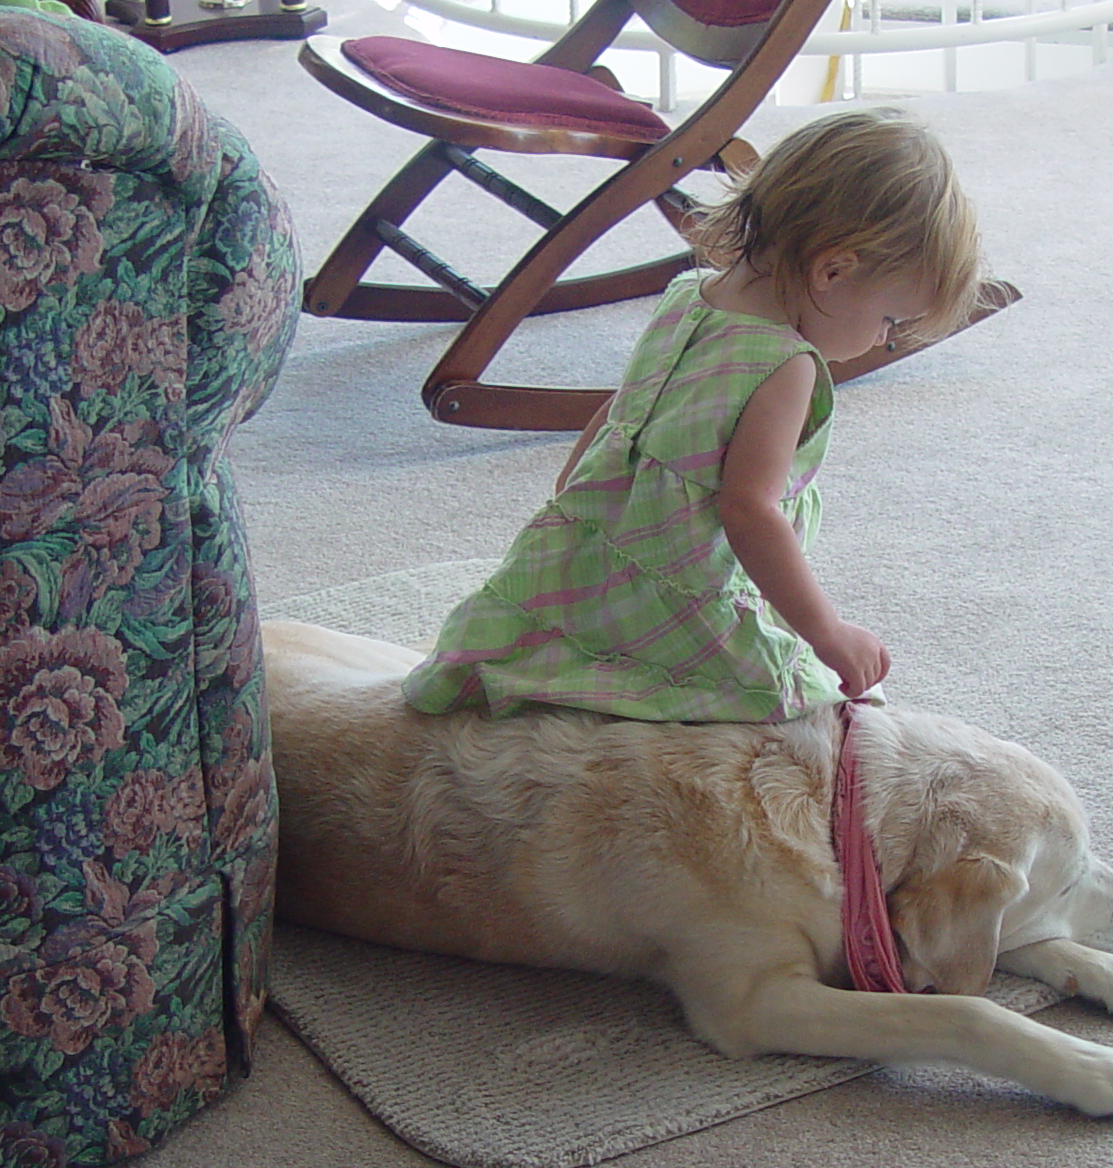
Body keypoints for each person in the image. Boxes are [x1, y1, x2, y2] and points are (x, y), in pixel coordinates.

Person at [401, 108, 980, 723]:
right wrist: (827, 632)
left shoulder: (687, 295)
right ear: (833, 271)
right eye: (890, 320)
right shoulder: (786, 365)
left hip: (591, 561)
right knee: (812, 699)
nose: (883, 340)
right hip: (679, 592)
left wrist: (576, 512)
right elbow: (748, 511)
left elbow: (619, 415)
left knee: (547, 641)